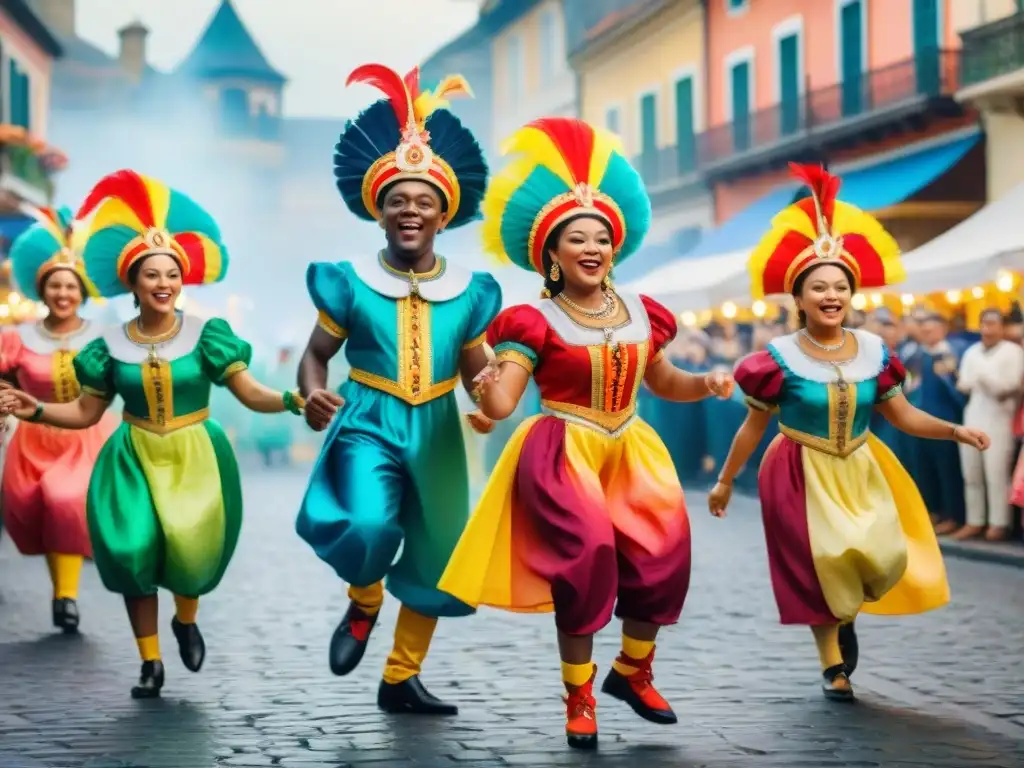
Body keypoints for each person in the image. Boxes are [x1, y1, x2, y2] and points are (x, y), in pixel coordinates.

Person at [436, 117, 732, 750]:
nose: (592, 247)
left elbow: (663, 379)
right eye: (577, 238)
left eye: (602, 236)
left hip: (632, 444)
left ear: (616, 246)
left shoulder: (643, 313)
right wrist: (487, 393)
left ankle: (633, 670)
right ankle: (579, 696)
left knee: (664, 556)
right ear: (552, 254)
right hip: (563, 448)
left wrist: (702, 383)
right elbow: (508, 395)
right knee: (587, 560)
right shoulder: (531, 320)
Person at [0, 170, 306, 698]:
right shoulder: (110, 344)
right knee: (133, 551)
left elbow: (250, 392)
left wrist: (294, 399)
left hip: (195, 455)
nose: (163, 283)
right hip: (132, 456)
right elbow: (87, 412)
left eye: (172, 274)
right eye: (151, 275)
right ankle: (150, 661)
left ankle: (185, 619)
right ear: (133, 283)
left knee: (188, 552)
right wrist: (37, 410)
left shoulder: (207, 335)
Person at [707, 163, 990, 703]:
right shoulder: (776, 360)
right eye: (820, 287)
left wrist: (956, 430)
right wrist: (724, 481)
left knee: (881, 555)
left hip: (860, 464)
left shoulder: (875, 352)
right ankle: (832, 661)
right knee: (823, 563)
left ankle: (846, 615)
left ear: (851, 294)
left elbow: (903, 415)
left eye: (840, 286)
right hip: (796, 468)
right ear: (800, 297)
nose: (831, 294)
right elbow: (752, 427)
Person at [294, 63, 500, 715]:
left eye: (423, 201)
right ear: (378, 210)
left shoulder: (470, 292)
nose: (410, 210)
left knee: (440, 552)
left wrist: (489, 394)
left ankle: (401, 675)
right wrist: (313, 393)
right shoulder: (348, 282)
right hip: (368, 419)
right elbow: (315, 356)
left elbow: (478, 367)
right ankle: (363, 601)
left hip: (438, 428)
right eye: (397, 201)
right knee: (365, 523)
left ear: (444, 214)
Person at [0, 206, 117, 632]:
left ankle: (66, 596)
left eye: (70, 285)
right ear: (42, 290)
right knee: (40, 506)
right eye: (54, 285)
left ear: (81, 292)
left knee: (64, 498)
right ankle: (61, 591)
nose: (62, 293)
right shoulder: (18, 337)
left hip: (85, 433)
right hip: (33, 439)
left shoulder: (101, 337)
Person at [955, 308, 1024, 541]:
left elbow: (1011, 386)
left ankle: (999, 523)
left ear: (1001, 327)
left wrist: (985, 379)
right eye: (984, 323)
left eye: (993, 324)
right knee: (971, 472)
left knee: (996, 473)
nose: (987, 329)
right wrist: (973, 381)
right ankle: (975, 520)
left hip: (999, 419)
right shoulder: (972, 351)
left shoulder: (1013, 352)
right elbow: (963, 383)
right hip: (973, 416)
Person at [917, 314, 970, 534]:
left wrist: (951, 374)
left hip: (946, 419)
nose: (926, 334)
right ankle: (935, 511)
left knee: (948, 470)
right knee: (927, 468)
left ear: (941, 329)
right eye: (924, 331)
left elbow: (960, 391)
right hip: (923, 419)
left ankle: (953, 515)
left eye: (930, 330)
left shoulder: (950, 353)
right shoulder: (922, 355)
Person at [251, 340, 299, 467]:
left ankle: (284, 455)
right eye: (283, 354)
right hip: (275, 405)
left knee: (284, 432)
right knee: (269, 433)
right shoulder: (273, 371)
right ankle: (269, 457)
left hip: (286, 407)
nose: (284, 357)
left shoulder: (291, 371)